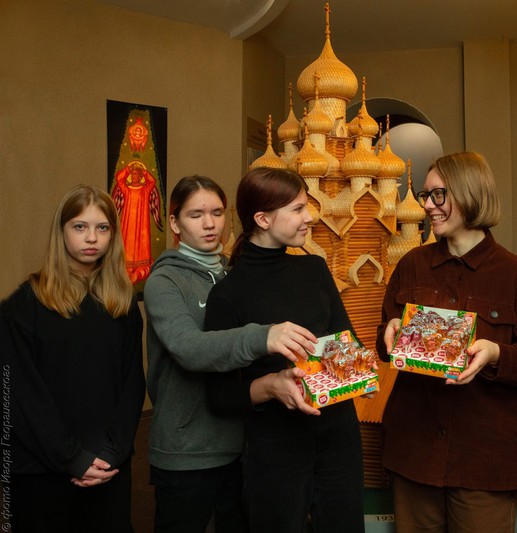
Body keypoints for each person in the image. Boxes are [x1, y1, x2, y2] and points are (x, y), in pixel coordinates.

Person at [378, 151, 517, 533]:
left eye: (438, 195)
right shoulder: (411, 266)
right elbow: (386, 340)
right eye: (425, 195)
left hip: (485, 463)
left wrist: (495, 354)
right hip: (415, 456)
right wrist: (389, 330)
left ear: (470, 193)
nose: (428, 205)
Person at [143, 175, 319, 532]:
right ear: (175, 223)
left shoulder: (233, 272)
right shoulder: (164, 282)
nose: (210, 224)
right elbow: (189, 348)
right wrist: (262, 336)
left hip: (241, 445)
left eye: (217, 212)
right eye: (196, 215)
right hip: (186, 450)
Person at [204, 167, 366, 533]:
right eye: (297, 209)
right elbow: (219, 397)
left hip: (338, 434)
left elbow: (347, 347)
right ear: (262, 219)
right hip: (275, 446)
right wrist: (272, 386)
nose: (310, 217)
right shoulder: (228, 295)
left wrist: (360, 372)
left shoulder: (314, 269)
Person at [0, 185, 145, 532]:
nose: (91, 237)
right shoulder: (25, 305)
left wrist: (113, 452)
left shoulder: (122, 303)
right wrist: (71, 457)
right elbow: (21, 394)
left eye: (102, 228)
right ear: (61, 231)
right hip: (42, 472)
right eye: (80, 226)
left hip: (108, 466)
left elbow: (132, 383)